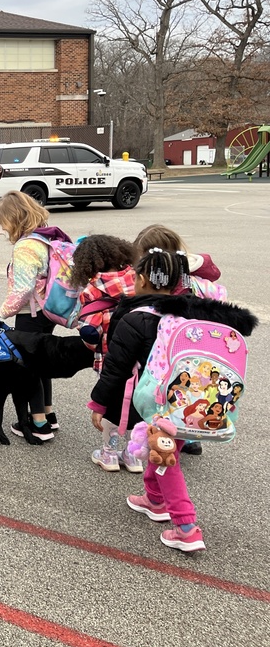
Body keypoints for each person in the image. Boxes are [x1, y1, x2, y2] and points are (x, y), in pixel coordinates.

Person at [87, 248, 256, 552]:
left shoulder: (134, 319)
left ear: (139, 280)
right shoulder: (196, 313)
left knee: (167, 460)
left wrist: (99, 404)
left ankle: (186, 527)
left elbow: (115, 368)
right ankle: (154, 500)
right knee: (164, 452)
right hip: (197, 405)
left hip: (160, 406)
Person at [0, 190, 71, 441]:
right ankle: (48, 414)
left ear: (14, 218)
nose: (2, 228)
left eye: (2, 222)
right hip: (48, 311)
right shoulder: (46, 238)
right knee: (43, 364)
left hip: (30, 314)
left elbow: (22, 288)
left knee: (29, 368)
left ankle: (38, 424)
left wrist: (0, 311)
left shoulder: (25, 247)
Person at [133, 223, 223, 455]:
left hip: (174, 345)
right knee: (193, 388)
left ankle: (165, 434)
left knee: (169, 387)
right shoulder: (195, 277)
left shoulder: (169, 282)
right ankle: (190, 435)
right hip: (203, 347)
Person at [66, 234, 140, 471]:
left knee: (110, 404)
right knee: (135, 405)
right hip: (141, 358)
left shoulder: (91, 289)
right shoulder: (136, 279)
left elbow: (91, 333)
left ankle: (109, 453)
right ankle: (133, 455)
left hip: (109, 358)